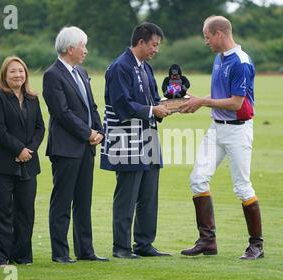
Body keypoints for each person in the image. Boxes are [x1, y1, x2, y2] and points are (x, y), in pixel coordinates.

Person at [179, 16, 264, 260]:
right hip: (217, 128)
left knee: (242, 186)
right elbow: (220, 96)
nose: (205, 41)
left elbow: (237, 103)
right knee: (197, 178)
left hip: (238, 130)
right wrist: (195, 100)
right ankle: (208, 241)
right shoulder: (219, 59)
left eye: (207, 36)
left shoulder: (241, 62)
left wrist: (203, 102)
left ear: (219, 34)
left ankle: (256, 245)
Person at [101, 22, 172, 259]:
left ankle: (144, 244)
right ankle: (121, 247)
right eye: (154, 45)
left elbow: (153, 99)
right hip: (126, 137)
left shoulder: (146, 67)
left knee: (148, 194)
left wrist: (175, 103)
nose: (156, 50)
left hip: (148, 136)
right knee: (127, 195)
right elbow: (123, 105)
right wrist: (153, 110)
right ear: (140, 42)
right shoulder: (120, 67)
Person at [43, 26, 108, 263]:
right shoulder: (52, 74)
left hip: (85, 147)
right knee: (62, 202)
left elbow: (91, 106)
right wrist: (87, 133)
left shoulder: (80, 72)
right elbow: (61, 112)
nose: (86, 51)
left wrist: (99, 131)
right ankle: (60, 253)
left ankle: (85, 251)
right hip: (66, 148)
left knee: (83, 201)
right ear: (70, 48)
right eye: (83, 46)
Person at [0, 56, 45, 267]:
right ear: (4, 76)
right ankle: (1, 257)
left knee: (26, 210)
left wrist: (29, 151)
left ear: (26, 74)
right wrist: (18, 149)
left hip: (28, 163)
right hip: (2, 163)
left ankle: (22, 255)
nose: (18, 75)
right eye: (12, 72)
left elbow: (40, 128)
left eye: (21, 71)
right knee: (1, 210)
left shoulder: (33, 99)